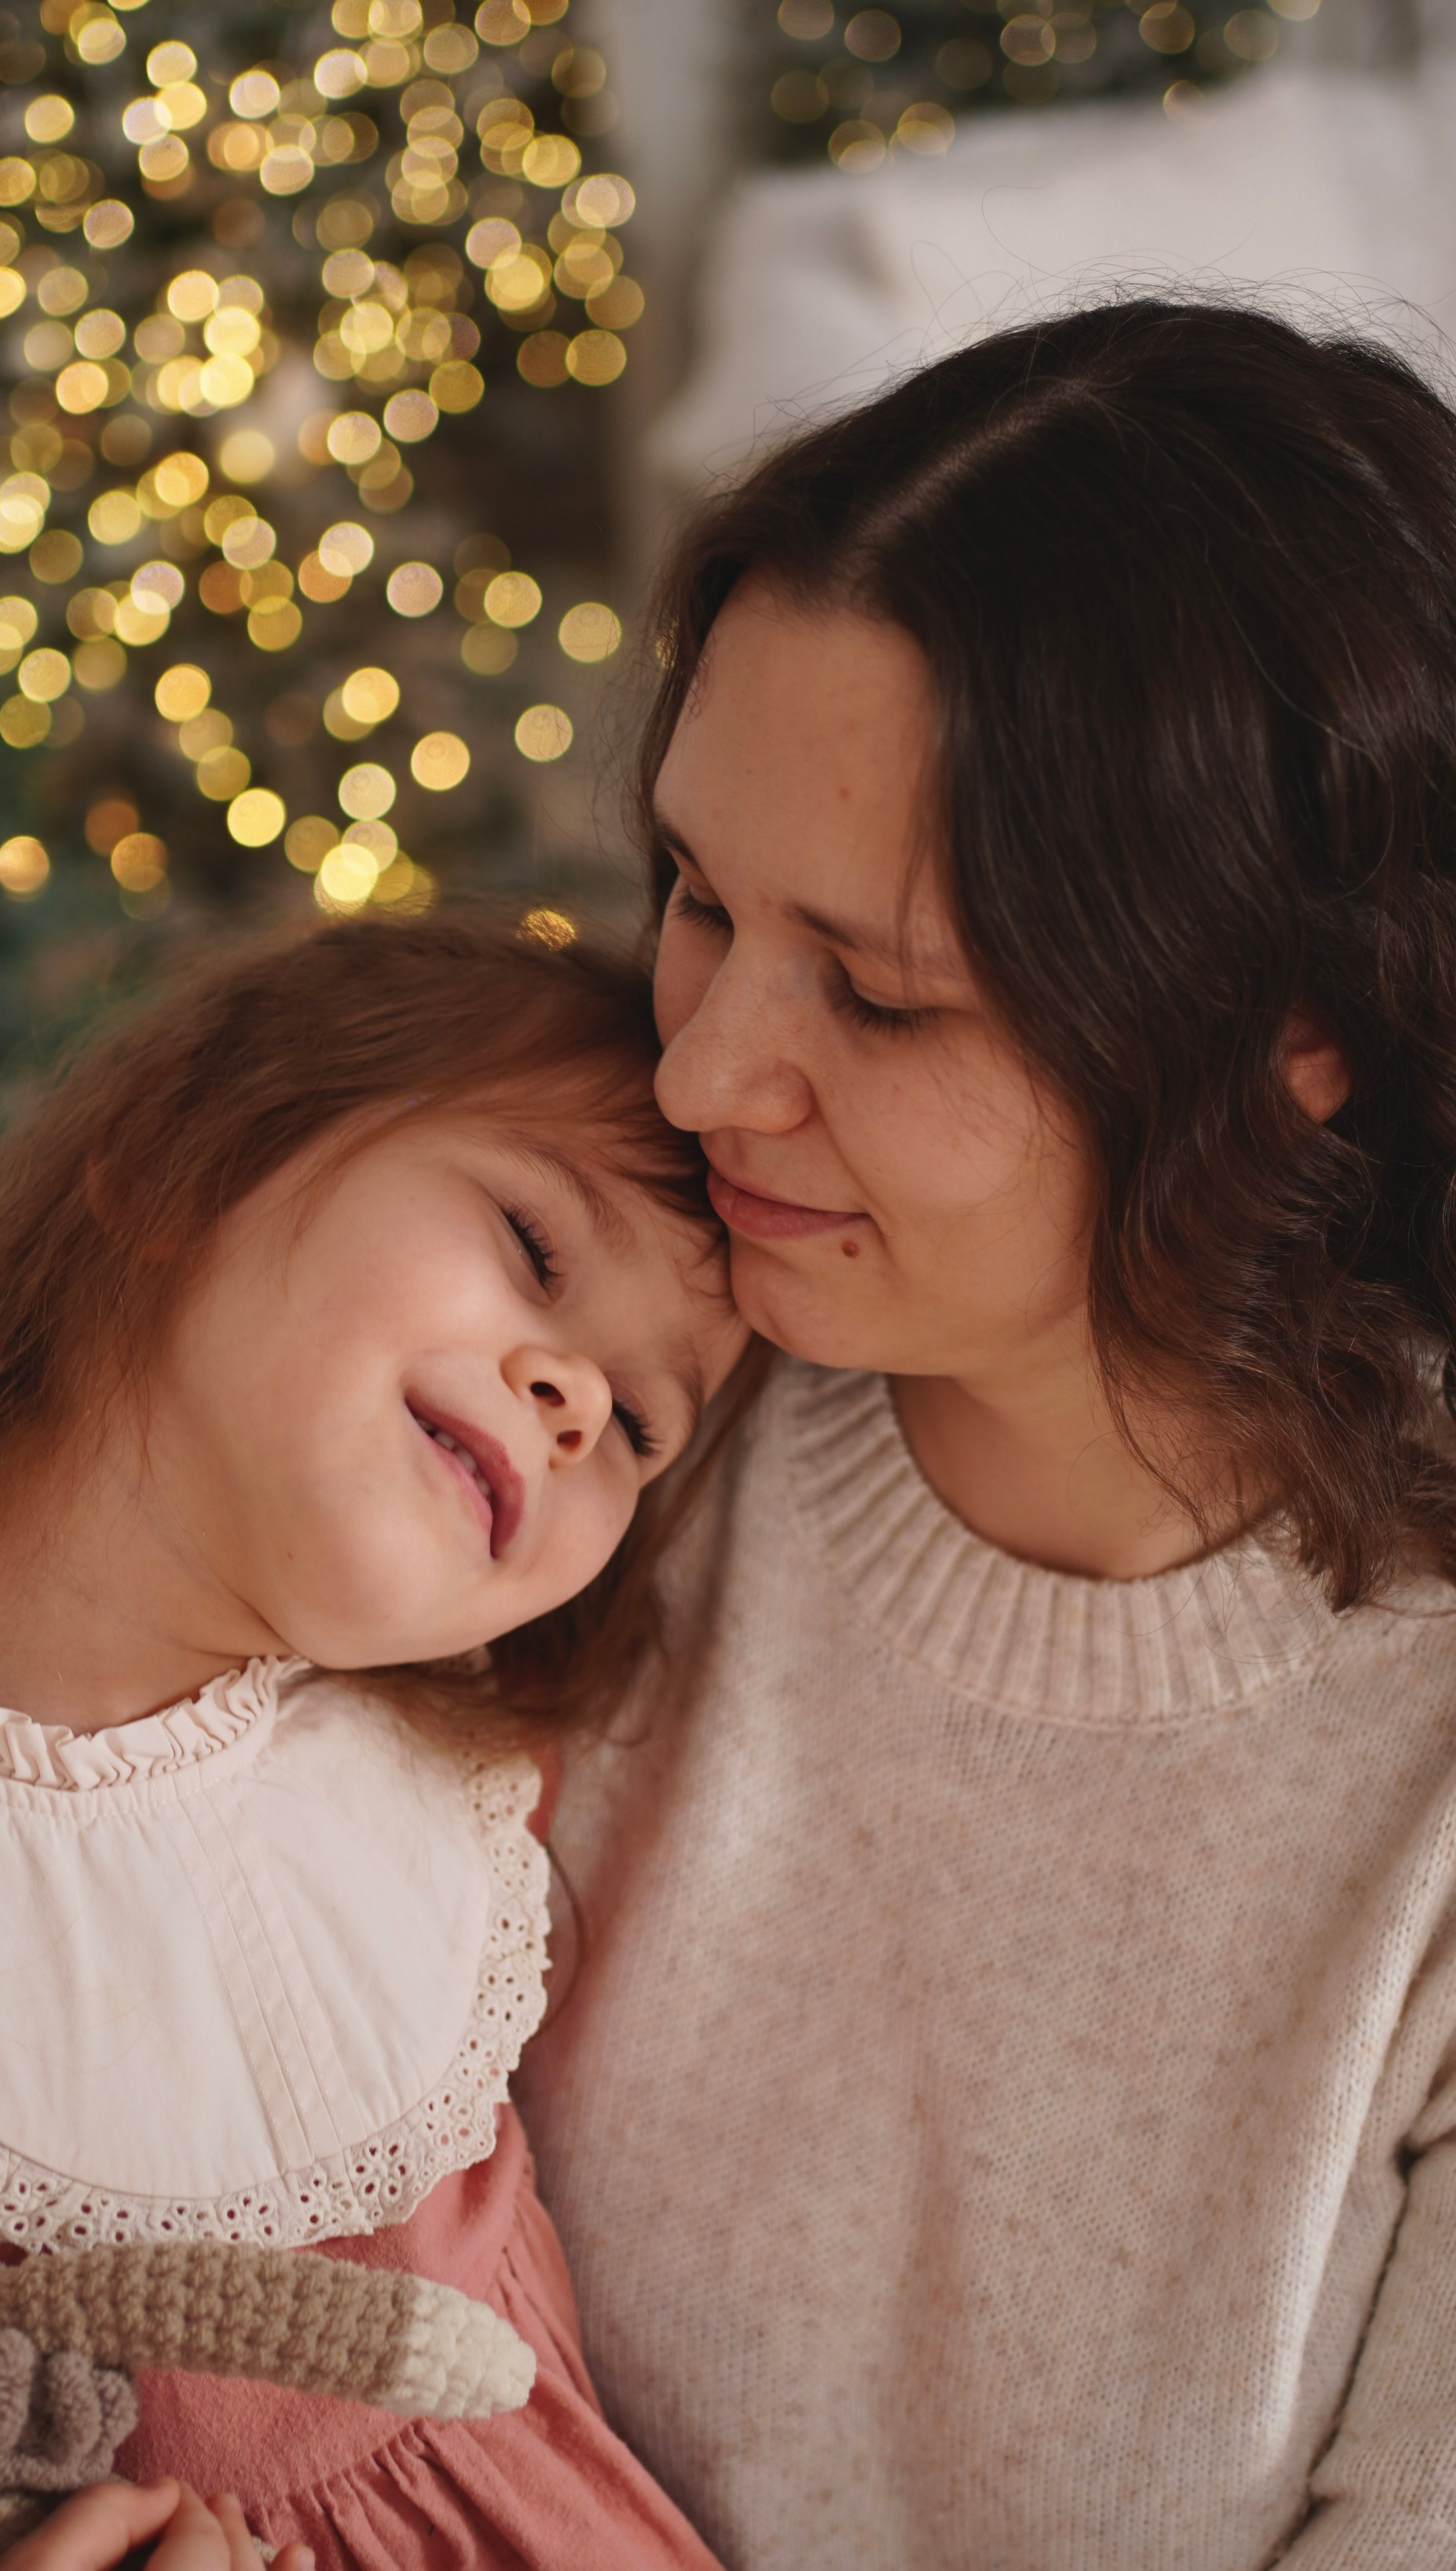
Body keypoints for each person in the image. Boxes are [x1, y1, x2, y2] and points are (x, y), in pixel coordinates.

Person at [515, 296, 1456, 2570]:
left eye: (879, 990)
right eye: (700, 903)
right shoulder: (573, 1393)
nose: (707, 1075)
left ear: (1300, 1025)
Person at [0, 916, 744, 2569]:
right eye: (530, 1239)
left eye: (641, 1424)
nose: (579, 1404)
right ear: (180, 1156)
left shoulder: (482, 1798)